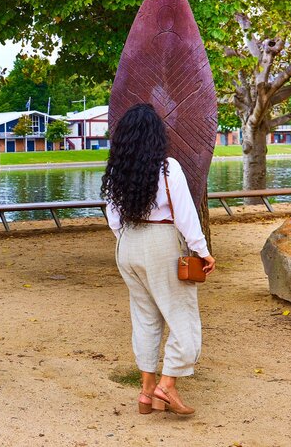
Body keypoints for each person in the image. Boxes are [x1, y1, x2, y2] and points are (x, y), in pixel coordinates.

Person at [101, 103, 215, 416]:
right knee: (183, 318)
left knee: (145, 318)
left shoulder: (117, 172)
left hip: (127, 244)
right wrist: (201, 249)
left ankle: (147, 391)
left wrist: (129, 243)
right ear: (156, 136)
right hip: (161, 243)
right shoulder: (167, 169)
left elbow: (113, 218)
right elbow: (185, 215)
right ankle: (167, 385)